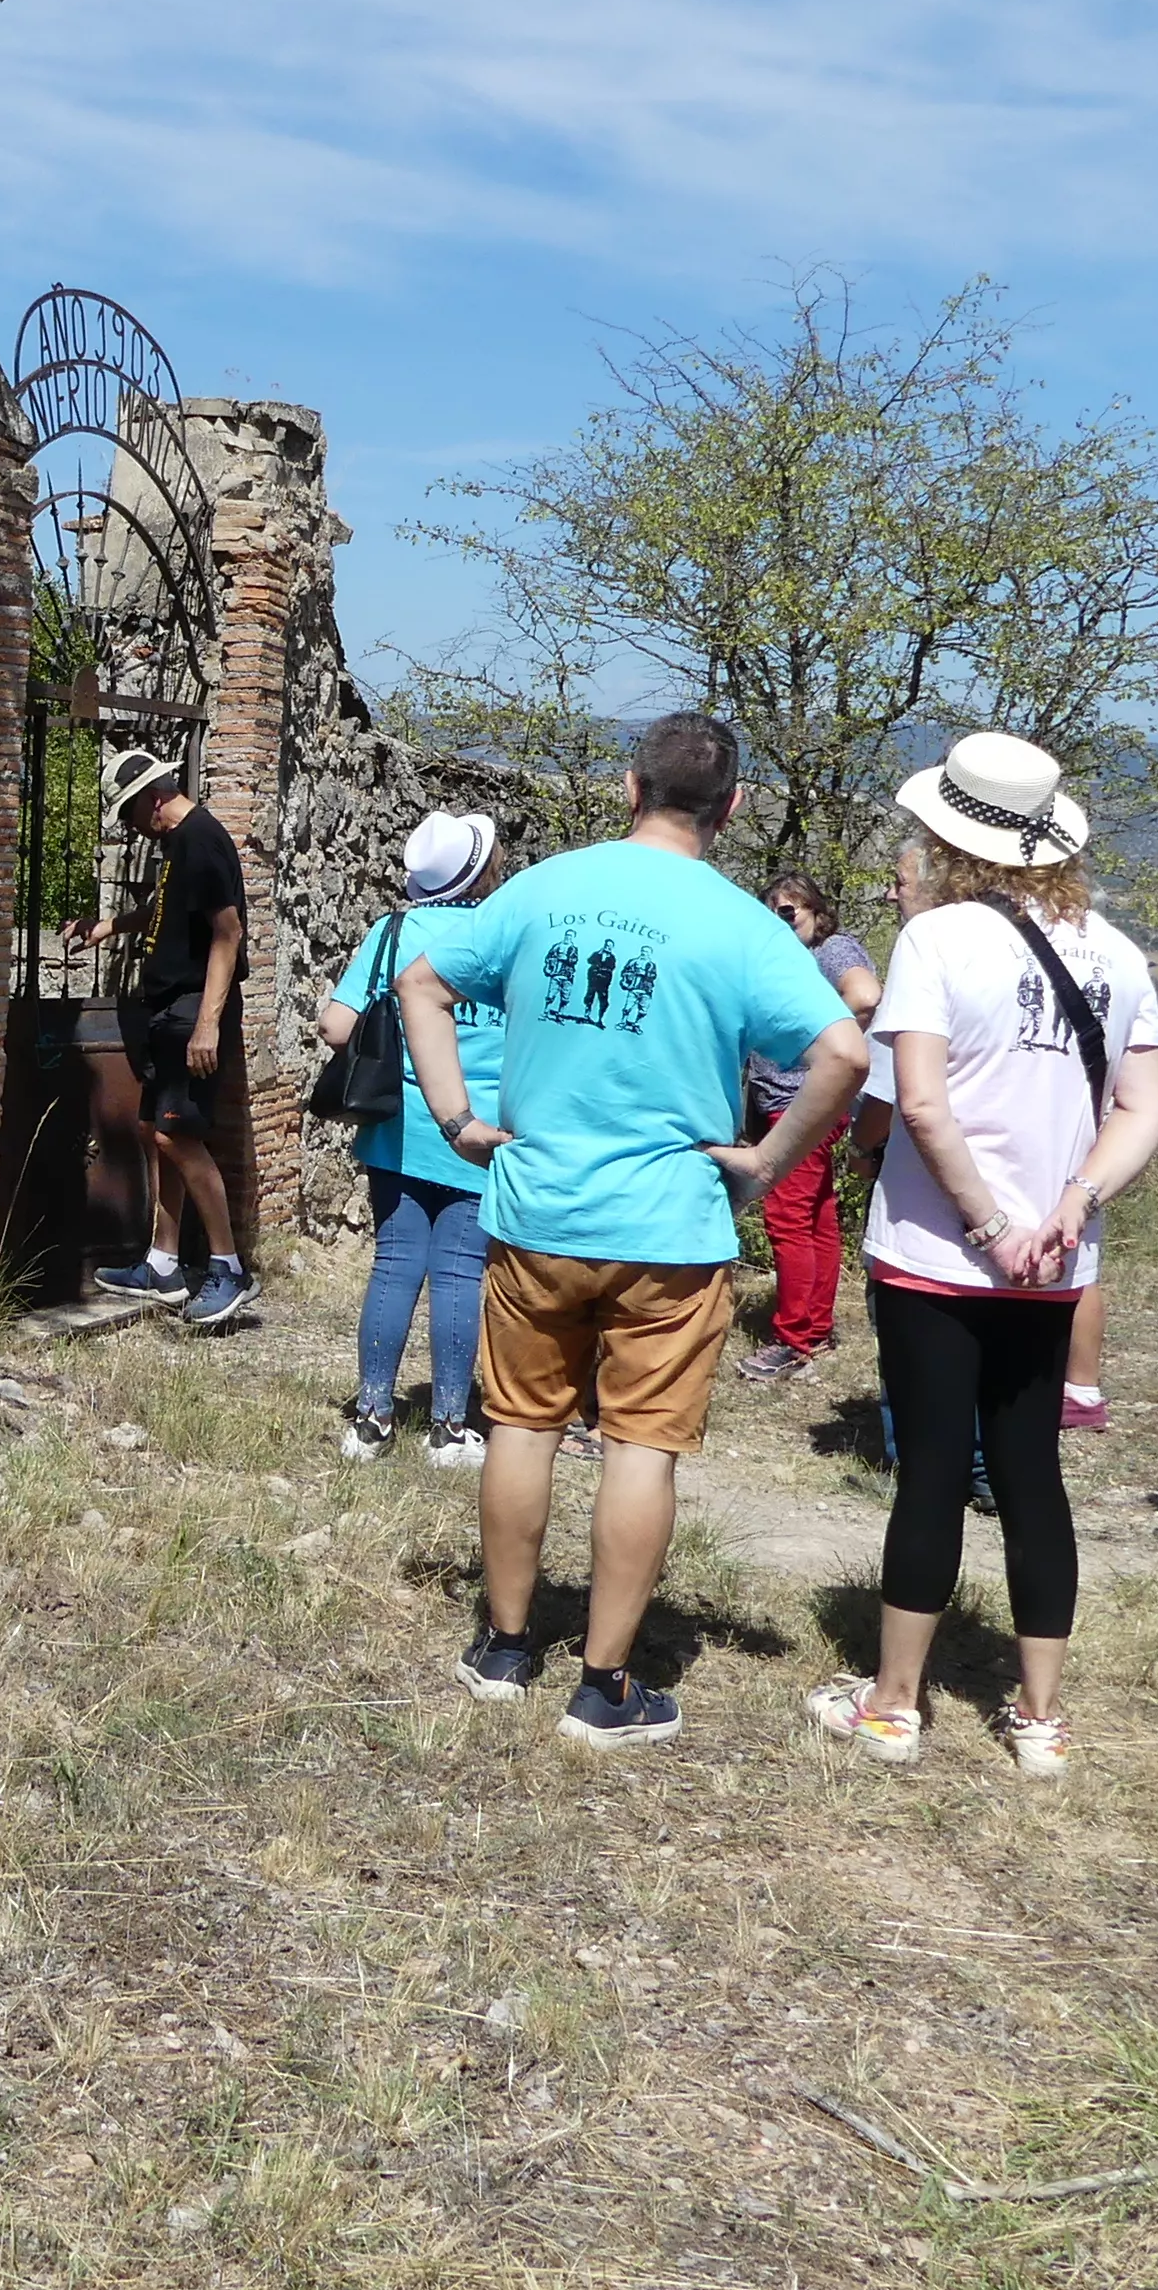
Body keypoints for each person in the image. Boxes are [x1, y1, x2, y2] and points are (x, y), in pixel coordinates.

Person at [396, 711, 864, 1751]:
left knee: (520, 1423)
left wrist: (456, 1120)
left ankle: (504, 1647)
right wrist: (765, 1163)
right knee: (640, 1447)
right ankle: (603, 1685)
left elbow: (420, 980)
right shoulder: (739, 922)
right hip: (670, 1227)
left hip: (536, 1209)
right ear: (732, 808)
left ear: (627, 787)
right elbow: (844, 1051)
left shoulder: (546, 887)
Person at [806, 733, 1158, 1779]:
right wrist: (1070, 1204)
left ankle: (891, 1707)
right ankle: (1041, 1717)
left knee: (928, 1471)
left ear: (947, 833)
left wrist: (984, 1223)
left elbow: (916, 1099)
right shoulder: (1117, 952)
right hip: (1055, 1263)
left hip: (936, 1251)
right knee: (1031, 1473)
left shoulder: (936, 940)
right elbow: (1147, 1103)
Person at [314, 810, 506, 1469]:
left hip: (399, 1127)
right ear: (480, 870)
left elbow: (336, 1028)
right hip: (478, 1131)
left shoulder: (393, 932)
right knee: (460, 1272)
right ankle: (450, 1429)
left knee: (395, 1264)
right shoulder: (500, 936)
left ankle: (371, 1418)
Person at [83, 745, 254, 1326]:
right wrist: (113, 925)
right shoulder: (178, 844)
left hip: (190, 1012)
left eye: (130, 813)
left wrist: (207, 1022)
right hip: (171, 1010)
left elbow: (227, 934)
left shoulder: (202, 840)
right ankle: (162, 1264)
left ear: (153, 800)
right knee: (159, 1131)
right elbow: (166, 910)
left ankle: (229, 1268)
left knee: (178, 1138)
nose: (130, 827)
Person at [736, 872, 881, 1387]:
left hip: (802, 1102)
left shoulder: (832, 949)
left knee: (788, 1218)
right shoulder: (785, 957)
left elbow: (865, 995)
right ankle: (813, 1328)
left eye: (790, 909)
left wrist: (813, 1040)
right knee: (816, 1214)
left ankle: (793, 1339)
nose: (781, 917)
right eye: (770, 909)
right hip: (795, 1101)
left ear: (817, 912)